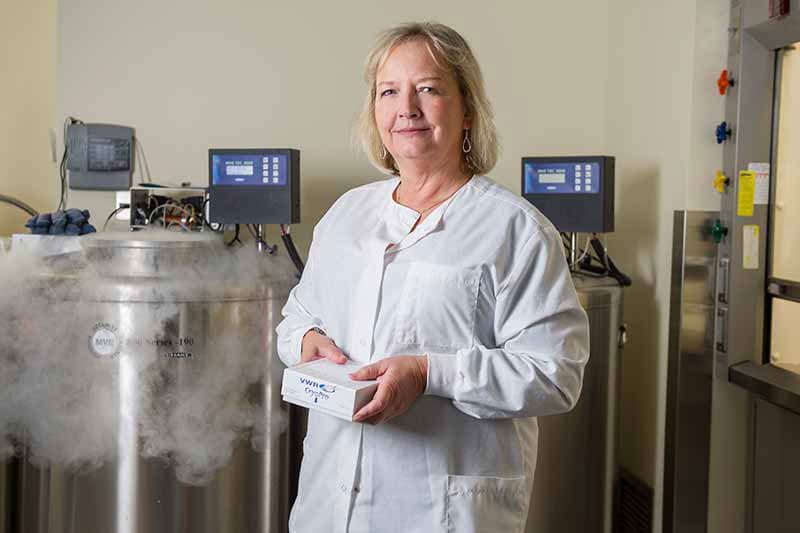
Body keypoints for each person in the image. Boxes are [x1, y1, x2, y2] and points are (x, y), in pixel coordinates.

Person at [276, 21, 590, 533]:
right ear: (374, 111)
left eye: (428, 88)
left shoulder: (516, 230)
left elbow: (556, 375)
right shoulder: (345, 217)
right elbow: (295, 318)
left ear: (467, 109)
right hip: (328, 508)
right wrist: (308, 340)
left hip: (442, 514)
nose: (407, 109)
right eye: (389, 91)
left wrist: (428, 374)